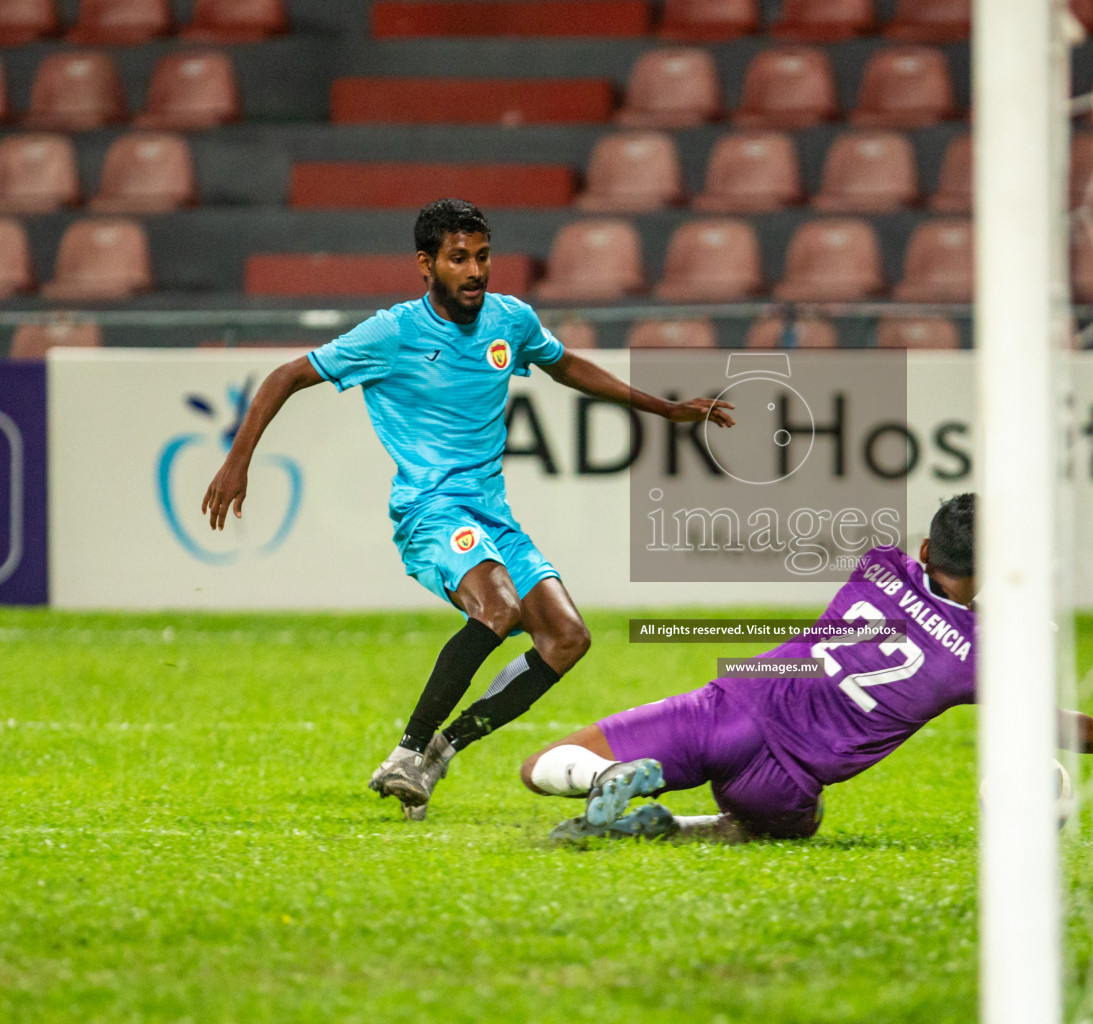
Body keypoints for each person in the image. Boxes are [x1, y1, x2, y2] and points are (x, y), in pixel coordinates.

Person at [201, 198, 735, 820]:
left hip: (491, 514)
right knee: (500, 607)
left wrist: (664, 408)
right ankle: (405, 753)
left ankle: (441, 750)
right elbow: (288, 374)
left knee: (567, 638)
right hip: (429, 511)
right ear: (426, 265)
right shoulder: (394, 332)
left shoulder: (511, 320)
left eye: (482, 257)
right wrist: (238, 461)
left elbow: (568, 368)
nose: (475, 271)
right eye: (459, 259)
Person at [518, 493, 1093, 843]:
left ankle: (618, 778)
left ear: (923, 548)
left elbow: (927, 594)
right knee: (792, 827)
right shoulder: (980, 658)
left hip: (730, 707)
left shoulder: (880, 564)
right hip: (784, 780)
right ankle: (678, 829)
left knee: (540, 768)